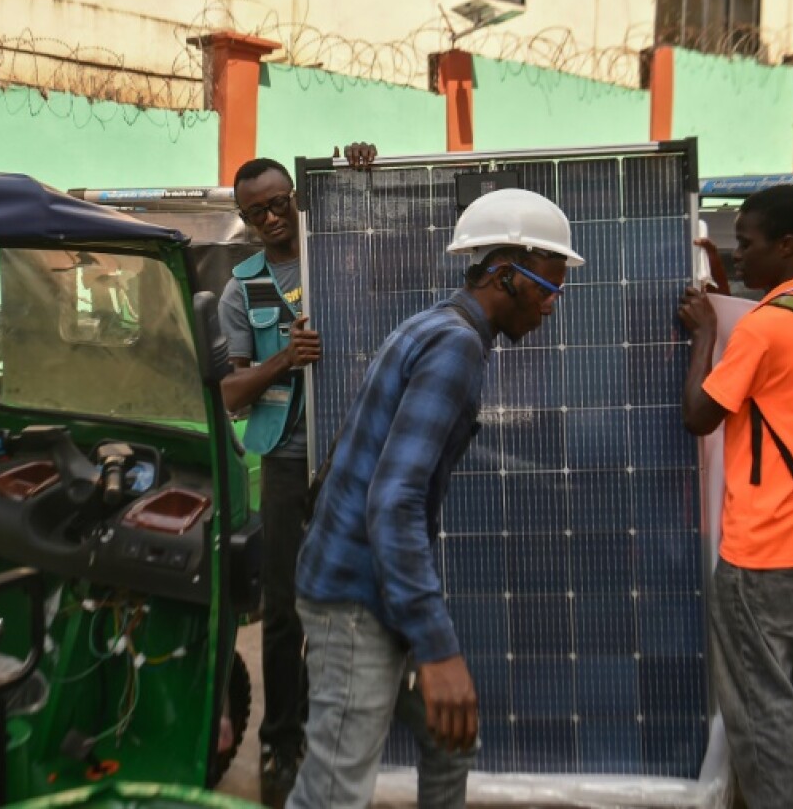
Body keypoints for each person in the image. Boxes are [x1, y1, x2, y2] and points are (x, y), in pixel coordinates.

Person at [288, 188, 584, 809]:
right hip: (354, 594)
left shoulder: (431, 325)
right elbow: (394, 501)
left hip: (368, 582)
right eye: (549, 287)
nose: (553, 307)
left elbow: (370, 453)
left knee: (452, 734)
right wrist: (438, 648)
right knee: (333, 792)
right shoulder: (457, 347)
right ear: (506, 274)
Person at [677, 185, 793, 809]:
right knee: (792, 696)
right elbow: (777, 370)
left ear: (787, 244)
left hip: (761, 555)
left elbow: (700, 414)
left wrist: (703, 335)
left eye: (745, 243)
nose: (736, 251)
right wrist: (727, 290)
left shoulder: (766, 330)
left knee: (757, 713)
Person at [217, 143, 376, 808]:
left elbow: (390, 249)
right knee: (282, 612)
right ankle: (281, 745)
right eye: (257, 212)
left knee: (352, 605)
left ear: (297, 199)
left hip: (353, 456)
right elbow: (230, 392)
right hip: (285, 464)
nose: (272, 217)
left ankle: (330, 731)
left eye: (280, 202)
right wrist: (284, 358)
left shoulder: (337, 257)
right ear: (246, 220)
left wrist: (361, 183)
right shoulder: (241, 288)